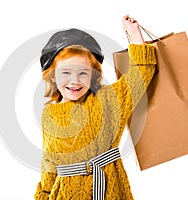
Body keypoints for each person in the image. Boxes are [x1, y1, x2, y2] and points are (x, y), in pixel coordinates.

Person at [34, 15, 157, 200]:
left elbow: (139, 76)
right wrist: (42, 195)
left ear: (93, 76)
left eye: (83, 73)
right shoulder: (49, 115)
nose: (74, 81)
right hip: (66, 193)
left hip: (111, 189)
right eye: (66, 72)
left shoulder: (108, 100)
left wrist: (134, 34)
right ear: (52, 76)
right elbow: (50, 162)